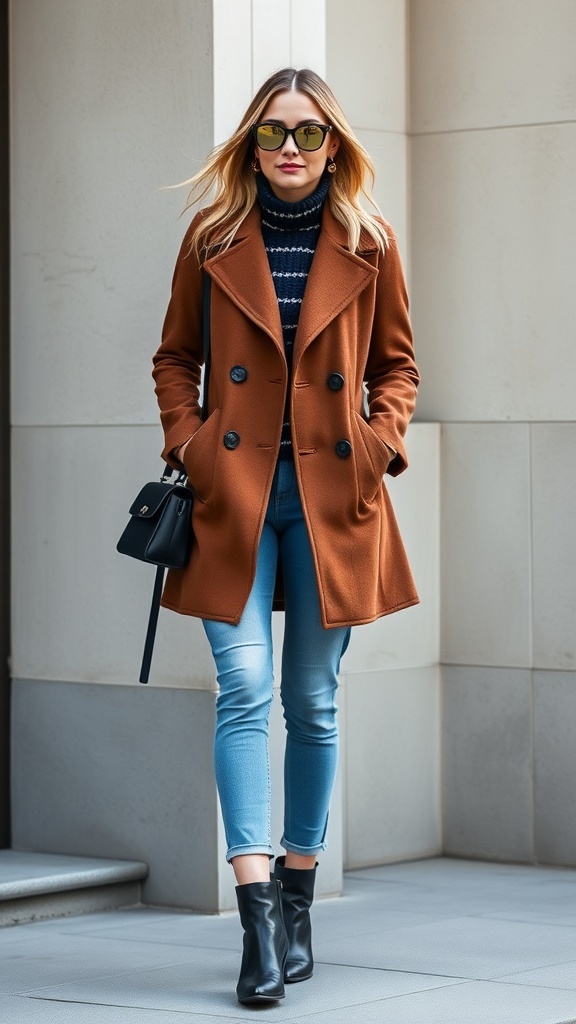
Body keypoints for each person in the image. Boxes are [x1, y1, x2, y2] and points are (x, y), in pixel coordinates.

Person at [152, 67, 419, 1006]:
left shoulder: (370, 241)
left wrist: (376, 446)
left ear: (334, 146)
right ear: (251, 144)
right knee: (243, 689)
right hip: (232, 494)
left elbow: (397, 367)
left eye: (309, 133)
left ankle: (298, 898)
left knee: (312, 701)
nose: (291, 149)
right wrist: (192, 445)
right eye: (273, 133)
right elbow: (175, 357)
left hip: (330, 496)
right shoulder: (213, 237)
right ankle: (256, 916)